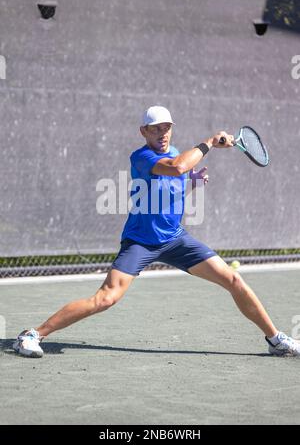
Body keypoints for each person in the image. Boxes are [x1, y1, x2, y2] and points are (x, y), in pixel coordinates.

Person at [13, 105, 300, 358]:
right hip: (140, 242)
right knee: (105, 298)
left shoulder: (174, 153)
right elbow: (176, 168)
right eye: (156, 129)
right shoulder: (141, 157)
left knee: (233, 279)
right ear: (143, 131)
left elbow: (178, 174)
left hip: (175, 239)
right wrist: (210, 142)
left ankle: (275, 339)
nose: (163, 134)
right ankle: (33, 335)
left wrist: (194, 178)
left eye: (167, 128)